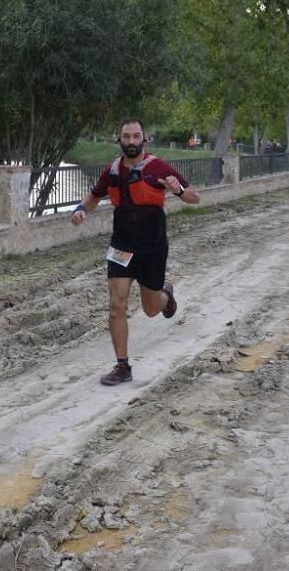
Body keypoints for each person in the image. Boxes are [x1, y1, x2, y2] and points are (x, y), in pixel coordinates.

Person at [71, 118, 201, 385]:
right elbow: (95, 195)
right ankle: (123, 367)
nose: (131, 141)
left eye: (136, 136)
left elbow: (194, 196)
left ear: (145, 139)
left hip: (152, 246)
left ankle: (166, 296)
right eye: (126, 136)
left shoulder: (158, 167)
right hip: (121, 245)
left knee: (151, 309)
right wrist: (81, 209)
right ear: (119, 139)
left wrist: (177, 190)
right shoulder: (113, 170)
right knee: (116, 306)